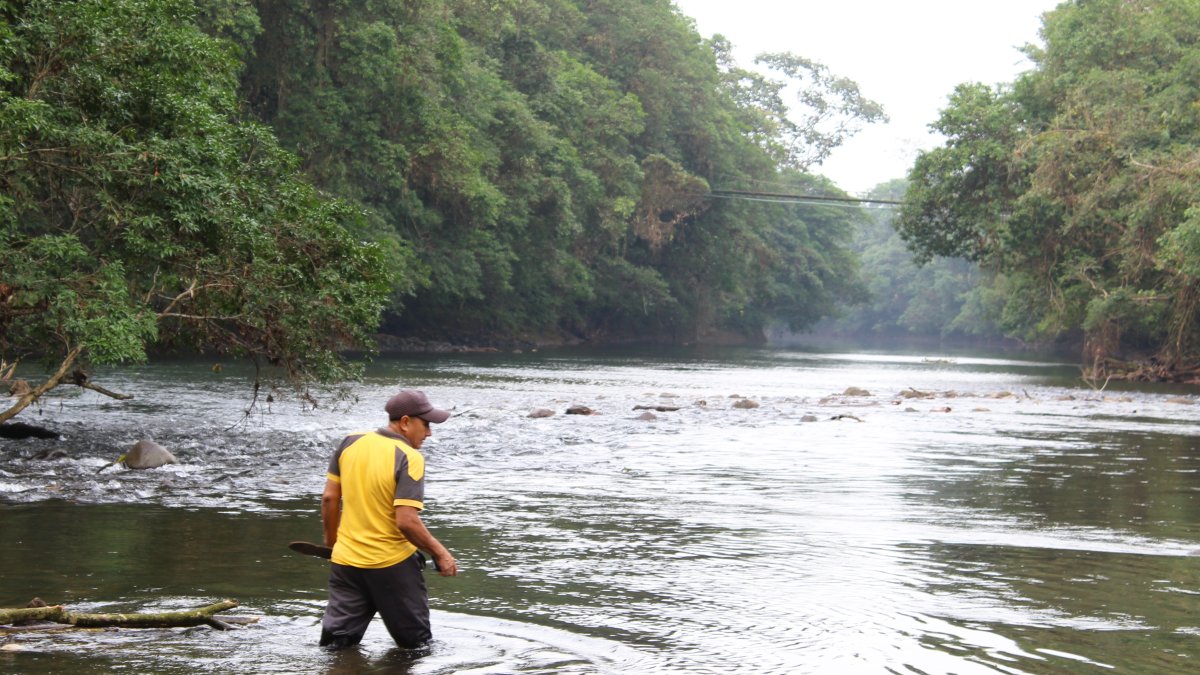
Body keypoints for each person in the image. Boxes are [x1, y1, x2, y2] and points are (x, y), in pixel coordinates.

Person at [318, 389, 459, 650]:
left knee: (336, 647)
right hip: (392, 567)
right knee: (416, 648)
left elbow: (329, 498)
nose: (428, 433)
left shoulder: (350, 442)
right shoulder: (410, 457)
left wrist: (332, 542)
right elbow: (406, 521)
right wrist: (440, 553)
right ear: (405, 422)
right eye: (426, 424)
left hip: (346, 564)